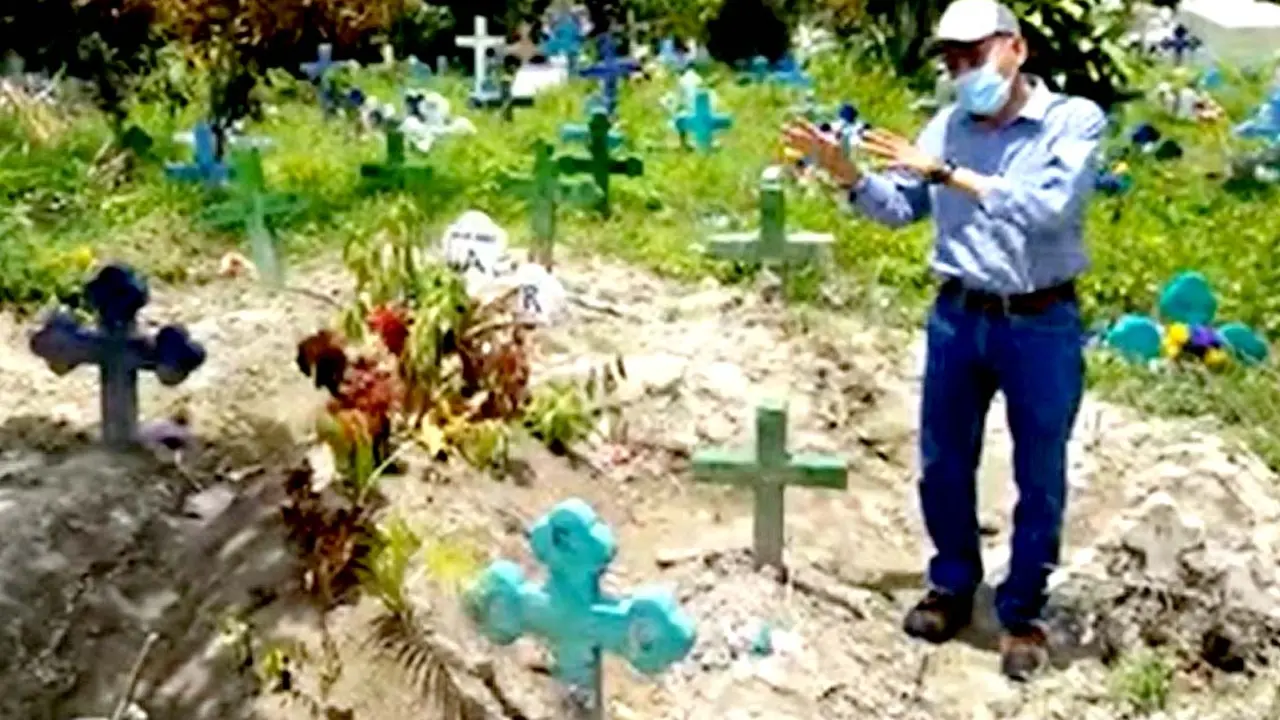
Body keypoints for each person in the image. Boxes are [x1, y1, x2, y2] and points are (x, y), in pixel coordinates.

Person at [782, 0, 1106, 681]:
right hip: (959, 315)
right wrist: (846, 174)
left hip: (1040, 320)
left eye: (975, 53)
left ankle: (1022, 610)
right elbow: (902, 207)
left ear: (1015, 49)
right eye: (951, 59)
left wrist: (947, 174)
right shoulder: (947, 123)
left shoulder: (1071, 121)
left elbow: (1053, 210)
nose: (962, 70)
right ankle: (954, 584)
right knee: (942, 461)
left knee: (1039, 471)